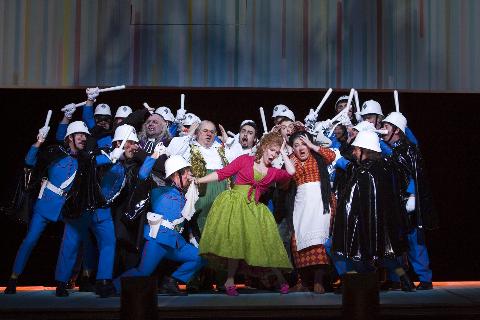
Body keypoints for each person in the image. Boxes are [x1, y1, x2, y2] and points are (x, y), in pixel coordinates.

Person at [196, 131, 295, 296]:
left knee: (265, 244)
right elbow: (222, 173)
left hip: (254, 209)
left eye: (277, 152)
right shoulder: (245, 160)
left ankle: (281, 279)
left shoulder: (273, 172)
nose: (274, 154)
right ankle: (229, 281)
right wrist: (199, 180)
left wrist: (284, 152)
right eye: (272, 150)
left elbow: (291, 172)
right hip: (235, 204)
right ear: (263, 147)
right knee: (235, 243)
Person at [4, 121, 90, 294]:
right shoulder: (54, 152)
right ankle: (13, 278)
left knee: (72, 242)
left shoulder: (85, 160)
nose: (83, 138)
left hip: (67, 207)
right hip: (46, 203)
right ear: (70, 138)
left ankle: (61, 283)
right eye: (79, 134)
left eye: (85, 135)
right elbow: (29, 161)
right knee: (30, 240)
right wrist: (39, 142)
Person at [54, 125, 138, 297]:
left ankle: (104, 281)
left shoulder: (124, 164)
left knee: (109, 243)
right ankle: (62, 282)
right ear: (118, 144)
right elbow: (87, 161)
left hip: (102, 210)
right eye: (130, 143)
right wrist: (109, 158)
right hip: (83, 207)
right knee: (71, 243)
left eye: (135, 144)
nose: (135, 147)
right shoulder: (101, 154)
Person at [331, 131, 414, 291]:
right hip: (383, 226)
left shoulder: (363, 172)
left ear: (364, 149)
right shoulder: (386, 168)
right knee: (387, 256)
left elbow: (350, 202)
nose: (354, 152)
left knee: (350, 254)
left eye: (356, 149)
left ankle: (360, 280)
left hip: (365, 225)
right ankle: (404, 278)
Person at [113, 154, 205, 295]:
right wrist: (153, 157)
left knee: (200, 257)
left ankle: (171, 281)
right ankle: (113, 286)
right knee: (143, 271)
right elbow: (143, 175)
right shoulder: (159, 186)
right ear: (176, 174)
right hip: (158, 240)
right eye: (186, 172)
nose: (189, 175)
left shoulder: (184, 193)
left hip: (175, 242)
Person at [381, 112, 438, 290]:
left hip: (408, 204)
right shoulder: (393, 150)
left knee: (414, 242)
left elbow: (415, 174)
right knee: (393, 245)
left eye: (387, 127)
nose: (383, 130)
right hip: (394, 204)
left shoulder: (409, 150)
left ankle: (425, 278)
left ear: (397, 130)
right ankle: (397, 278)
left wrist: (412, 195)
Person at [284, 130, 336, 293]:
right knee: (298, 241)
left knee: (318, 241)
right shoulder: (291, 159)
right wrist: (284, 154)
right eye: (296, 145)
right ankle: (303, 282)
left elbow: (332, 156)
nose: (301, 148)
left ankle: (318, 281)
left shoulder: (318, 156)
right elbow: (285, 179)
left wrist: (313, 145)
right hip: (301, 202)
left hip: (321, 201)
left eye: (303, 143)